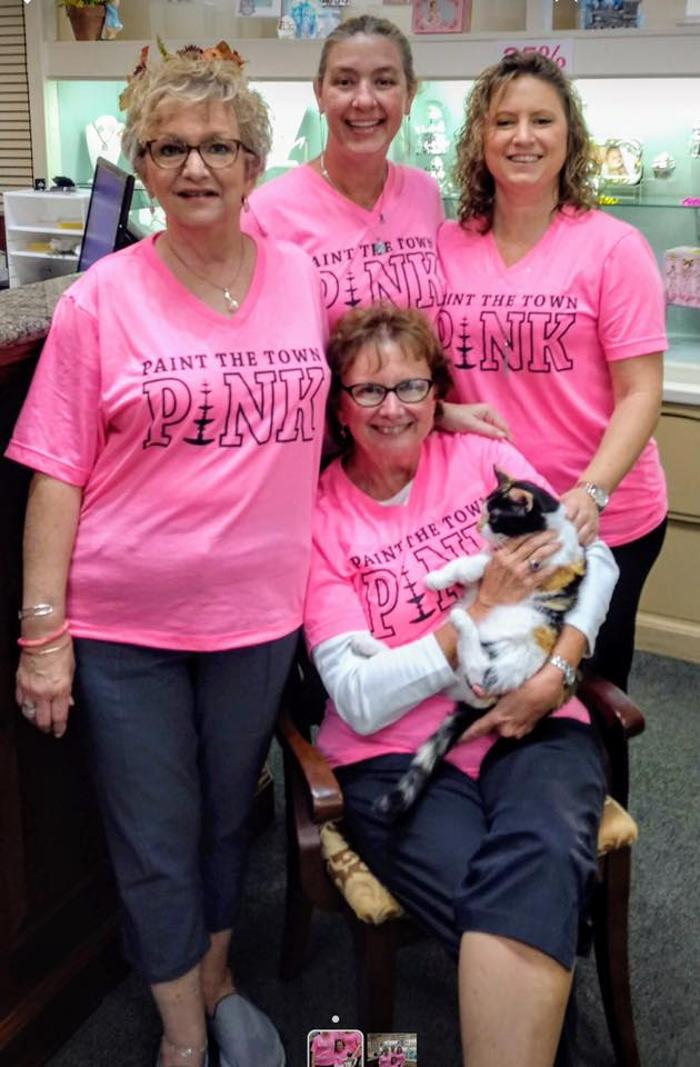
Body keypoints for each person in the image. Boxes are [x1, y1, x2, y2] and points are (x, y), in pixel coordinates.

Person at [8, 45, 329, 1067]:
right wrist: (43, 633)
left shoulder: (300, 278)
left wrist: (438, 411)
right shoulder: (101, 299)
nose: (197, 166)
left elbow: (362, 387)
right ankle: (184, 1038)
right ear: (142, 166)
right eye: (170, 147)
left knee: (229, 813)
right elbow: (56, 469)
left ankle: (218, 975)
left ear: (254, 163)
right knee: (154, 833)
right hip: (125, 625)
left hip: (260, 615)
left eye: (219, 147)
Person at [303, 304, 619, 1067]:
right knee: (514, 889)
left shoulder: (481, 462)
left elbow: (595, 560)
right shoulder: (318, 517)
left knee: (540, 852)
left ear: (436, 392)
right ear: (339, 406)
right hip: (395, 755)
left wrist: (560, 670)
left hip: (534, 712)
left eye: (411, 385)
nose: (393, 407)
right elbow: (359, 697)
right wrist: (473, 615)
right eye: (369, 389)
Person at [437, 50, 667, 692]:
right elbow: (429, 372)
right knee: (497, 681)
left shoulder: (613, 247)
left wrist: (591, 493)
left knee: (582, 689)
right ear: (480, 137)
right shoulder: (447, 244)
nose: (524, 137)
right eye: (504, 121)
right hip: (497, 515)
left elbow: (641, 392)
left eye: (542, 120)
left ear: (570, 136)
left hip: (599, 516)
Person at [244, 14, 508, 443]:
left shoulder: (423, 193)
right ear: (320, 93)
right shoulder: (267, 212)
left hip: (417, 447)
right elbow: (261, 366)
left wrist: (437, 412)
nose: (364, 100)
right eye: (345, 82)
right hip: (324, 456)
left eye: (384, 82)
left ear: (409, 94)